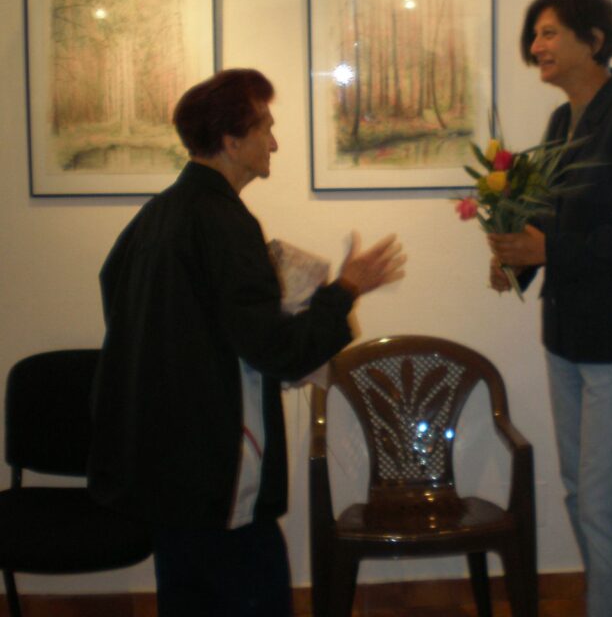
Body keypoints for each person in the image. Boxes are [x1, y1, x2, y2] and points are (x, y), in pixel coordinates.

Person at [88, 68, 405, 617]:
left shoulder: (157, 214)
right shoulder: (224, 224)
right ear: (231, 141)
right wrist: (345, 290)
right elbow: (278, 351)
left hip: (166, 468)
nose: (274, 144)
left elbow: (118, 296)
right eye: (265, 129)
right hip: (219, 469)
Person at [488, 0, 612, 617]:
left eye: (549, 32)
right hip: (569, 337)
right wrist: (515, 261)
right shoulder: (561, 122)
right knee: (583, 498)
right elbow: (547, 221)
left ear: (594, 41)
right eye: (535, 34)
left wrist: (547, 249)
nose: (536, 46)